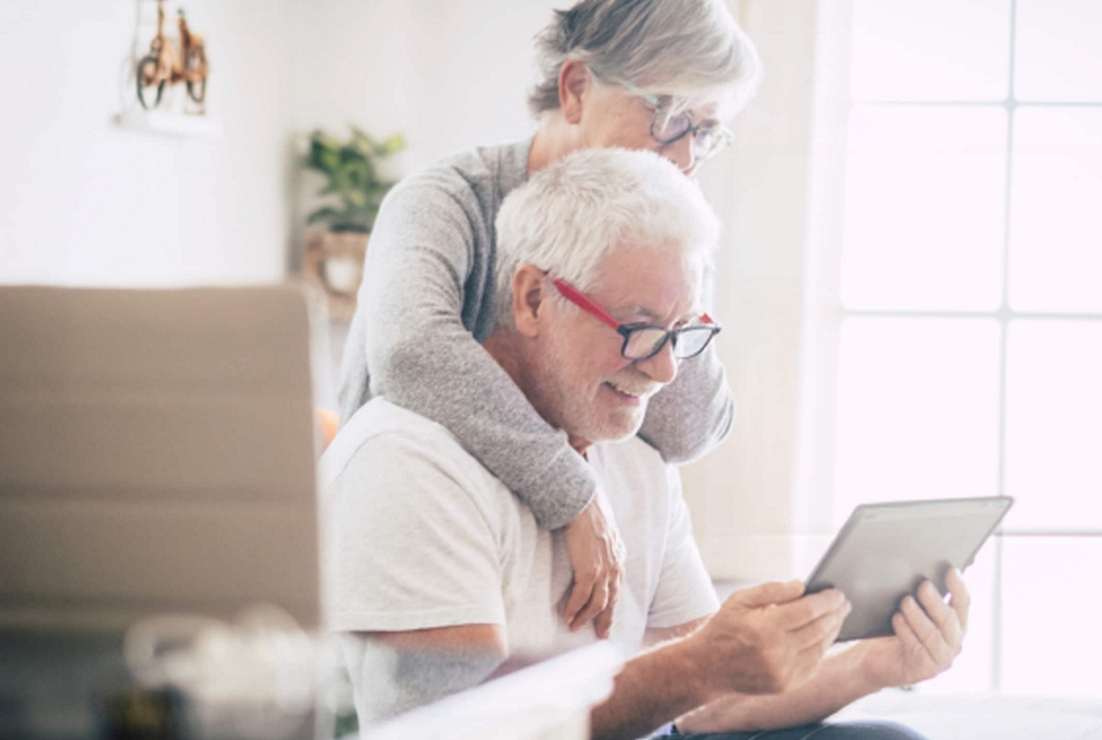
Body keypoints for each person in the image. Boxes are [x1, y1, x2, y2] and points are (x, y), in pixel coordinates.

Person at [322, 149, 969, 738]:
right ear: (533, 298)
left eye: (682, 333)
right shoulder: (409, 461)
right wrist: (693, 667)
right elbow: (462, 730)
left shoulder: (628, 449)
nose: (664, 371)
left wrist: (872, 664)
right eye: (638, 329)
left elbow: (708, 705)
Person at [336, 0, 761, 639]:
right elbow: (409, 348)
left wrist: (674, 256)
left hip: (556, 598)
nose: (686, 157)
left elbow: (689, 430)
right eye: (669, 117)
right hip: (420, 564)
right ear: (576, 88)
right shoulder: (447, 201)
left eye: (705, 131)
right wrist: (573, 490)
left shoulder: (669, 224)